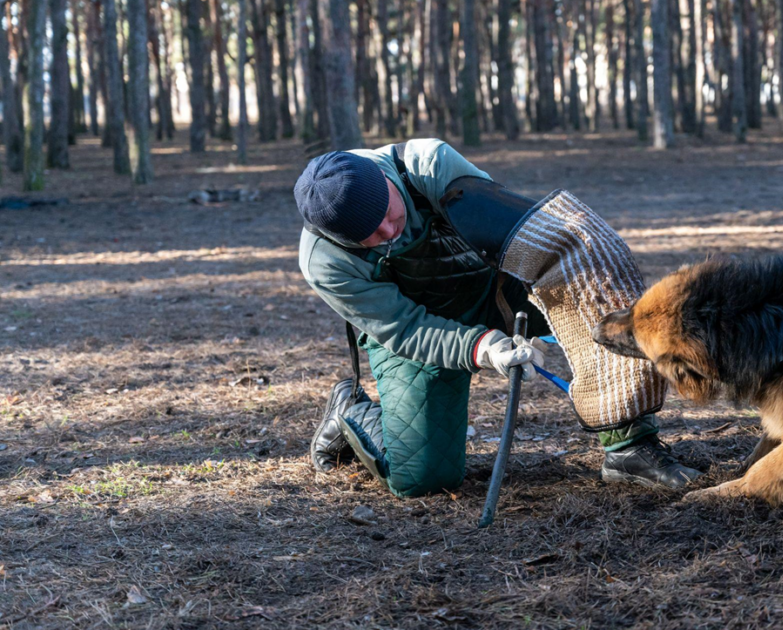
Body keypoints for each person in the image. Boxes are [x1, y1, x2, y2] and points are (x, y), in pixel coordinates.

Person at [294, 138, 701, 498]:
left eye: (387, 211)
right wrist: (482, 347)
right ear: (338, 239)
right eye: (370, 234)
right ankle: (350, 410)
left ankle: (628, 447)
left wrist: (566, 301)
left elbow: (522, 238)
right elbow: (405, 328)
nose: (388, 230)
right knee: (422, 479)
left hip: (492, 289)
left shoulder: (428, 165)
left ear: (385, 181)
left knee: (593, 289)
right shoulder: (324, 260)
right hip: (420, 328)